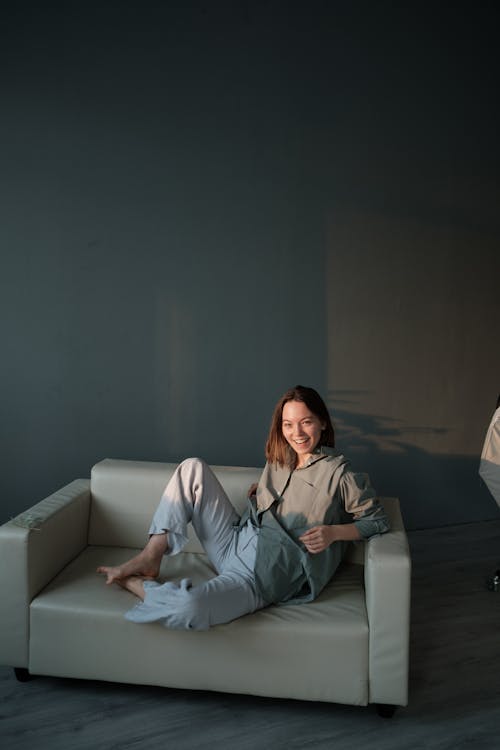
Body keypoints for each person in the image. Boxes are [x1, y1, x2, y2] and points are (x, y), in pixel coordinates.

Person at [97, 385, 390, 630]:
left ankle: (136, 584)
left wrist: (333, 533)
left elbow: (376, 521)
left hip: (260, 575)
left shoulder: (341, 474)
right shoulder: (279, 458)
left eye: (306, 422)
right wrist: (261, 492)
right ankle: (151, 556)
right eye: (288, 424)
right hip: (235, 539)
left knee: (190, 607)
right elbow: (283, 496)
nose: (296, 433)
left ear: (323, 422)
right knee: (192, 467)